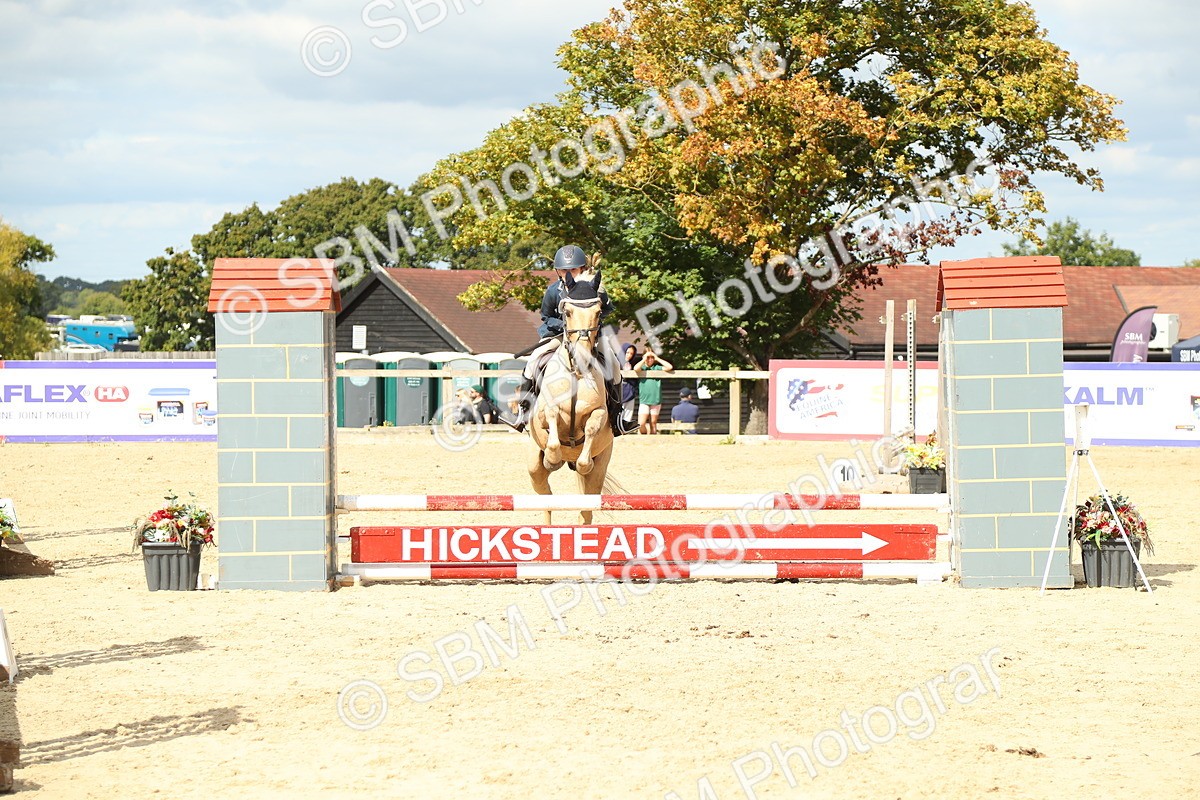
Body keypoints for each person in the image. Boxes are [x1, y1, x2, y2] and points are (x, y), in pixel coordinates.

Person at [511, 245, 629, 435]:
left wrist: (592, 321)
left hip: (589, 337)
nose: (568, 274)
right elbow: (546, 316)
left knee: (614, 364)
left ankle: (617, 416)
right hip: (559, 336)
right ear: (557, 271)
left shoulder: (595, 288)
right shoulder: (553, 291)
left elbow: (607, 309)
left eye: (572, 270)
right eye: (564, 270)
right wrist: (565, 327)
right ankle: (523, 412)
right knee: (534, 360)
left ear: (581, 269)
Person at [635, 351, 674, 434]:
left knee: (653, 423)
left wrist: (657, 358)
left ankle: (653, 440)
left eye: (651, 358)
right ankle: (645, 436)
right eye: (648, 358)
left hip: (656, 399)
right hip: (644, 400)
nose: (650, 360)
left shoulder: (657, 367)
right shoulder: (643, 368)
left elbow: (669, 367)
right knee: (641, 423)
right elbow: (635, 368)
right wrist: (644, 359)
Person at [619, 343, 640, 432]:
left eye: (631, 353)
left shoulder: (632, 364)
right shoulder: (616, 362)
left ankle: (625, 430)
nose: (629, 355)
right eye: (627, 352)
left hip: (629, 391)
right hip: (618, 391)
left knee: (628, 414)